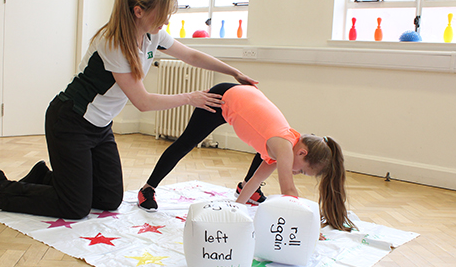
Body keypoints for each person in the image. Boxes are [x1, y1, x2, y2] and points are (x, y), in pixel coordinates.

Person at [0, 0, 256, 219]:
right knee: (75, 207)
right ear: (139, 11)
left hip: (99, 128)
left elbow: (190, 54)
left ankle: (43, 177)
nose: (167, 20)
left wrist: (233, 71)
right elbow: (142, 101)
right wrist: (191, 98)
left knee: (109, 199)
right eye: (163, 13)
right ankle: (1, 187)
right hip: (69, 122)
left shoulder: (152, 35)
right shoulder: (113, 42)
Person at [138, 83, 356, 232]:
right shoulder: (283, 145)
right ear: (302, 152)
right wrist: (305, 228)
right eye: (301, 170)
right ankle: (148, 188)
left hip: (243, 98)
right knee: (185, 143)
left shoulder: (282, 150)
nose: (295, 172)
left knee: (256, 171)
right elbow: (289, 193)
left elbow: (252, 183)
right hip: (222, 98)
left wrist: (235, 211)